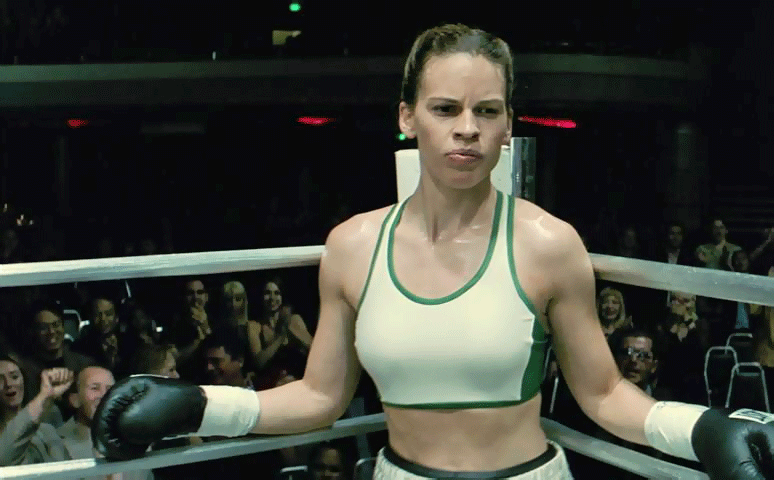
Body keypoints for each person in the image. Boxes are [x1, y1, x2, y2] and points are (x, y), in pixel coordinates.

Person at [93, 24, 774, 480]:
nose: (467, 129)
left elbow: (602, 394)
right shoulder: (353, 246)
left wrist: (703, 430)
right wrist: (198, 406)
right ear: (407, 117)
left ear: (508, 126)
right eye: (446, 108)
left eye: (488, 111)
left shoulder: (547, 242)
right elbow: (321, 396)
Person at [0, 355, 72, 466]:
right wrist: (44, 396)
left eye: (14, 377)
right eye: (0, 380)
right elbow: (4, 458)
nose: (8, 384)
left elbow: (69, 471)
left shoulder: (48, 431)